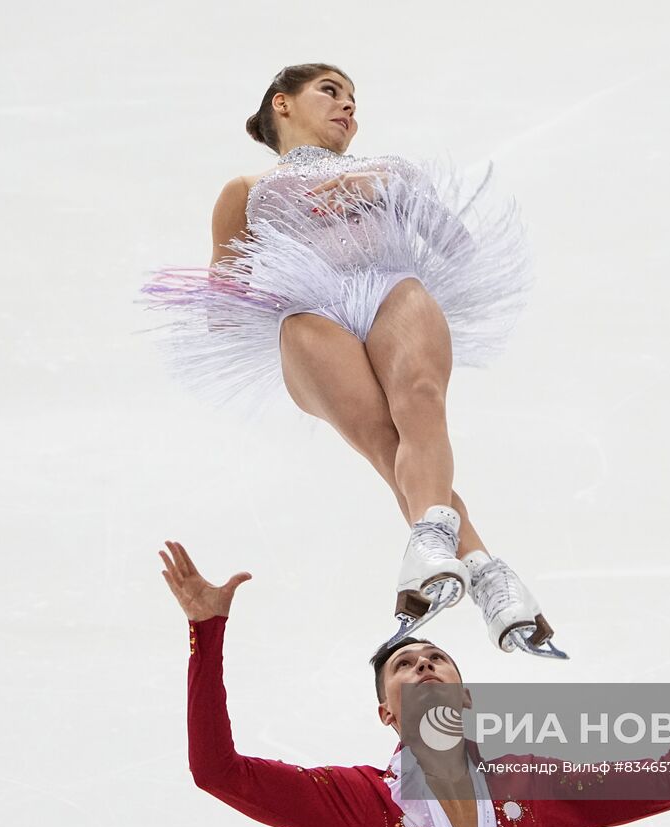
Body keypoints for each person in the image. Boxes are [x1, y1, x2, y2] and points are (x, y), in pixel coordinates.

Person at [140, 64, 560, 656]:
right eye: (330, 92)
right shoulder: (246, 192)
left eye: (354, 100)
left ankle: (456, 562)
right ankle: (489, 575)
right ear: (281, 105)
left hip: (391, 288)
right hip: (311, 315)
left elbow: (456, 248)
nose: (348, 108)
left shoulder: (387, 171)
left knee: (420, 404)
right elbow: (224, 309)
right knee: (386, 442)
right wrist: (265, 273)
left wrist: (381, 192)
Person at [160, 539, 670, 827]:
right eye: (405, 665)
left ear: (464, 695)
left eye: (437, 658)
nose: (423, 665)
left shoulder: (522, 784)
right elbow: (217, 770)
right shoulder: (354, 802)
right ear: (386, 712)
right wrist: (206, 630)